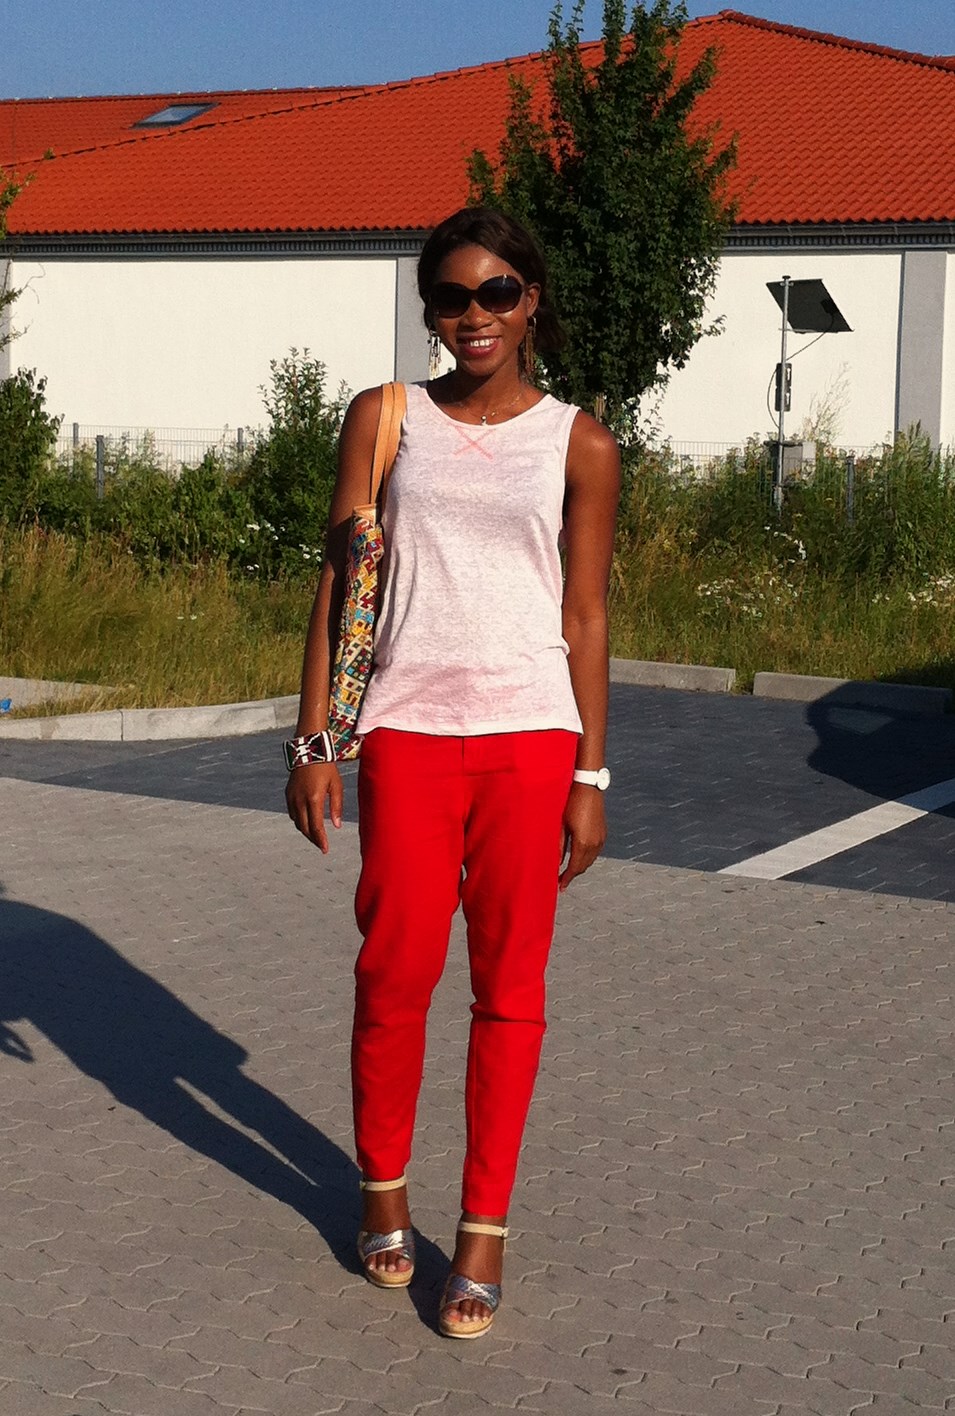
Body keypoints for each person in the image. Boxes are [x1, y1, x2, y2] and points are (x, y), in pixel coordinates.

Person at [285, 206, 620, 1338]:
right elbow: (342, 585)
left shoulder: (579, 442)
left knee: (510, 991)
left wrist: (591, 776)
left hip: (531, 739)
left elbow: (584, 614)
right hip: (408, 735)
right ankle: (381, 1190)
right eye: (450, 296)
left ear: (530, 301)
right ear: (429, 307)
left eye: (495, 293)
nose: (473, 316)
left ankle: (482, 1231)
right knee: (394, 970)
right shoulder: (386, 419)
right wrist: (315, 743)